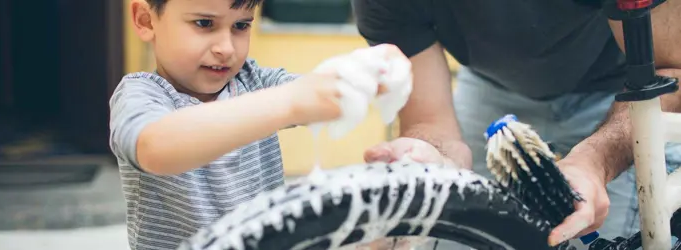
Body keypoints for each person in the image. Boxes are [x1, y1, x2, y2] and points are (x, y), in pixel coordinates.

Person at [353, 0, 681, 248]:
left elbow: (671, 70)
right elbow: (430, 122)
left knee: (600, 231)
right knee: (450, 230)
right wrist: (425, 155)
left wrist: (594, 162)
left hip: (621, 94)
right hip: (491, 92)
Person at [108, 0, 412, 249]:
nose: (226, 47)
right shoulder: (141, 94)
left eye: (241, 25)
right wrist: (289, 102)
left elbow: (318, 93)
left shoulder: (254, 81)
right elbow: (156, 148)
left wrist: (371, 74)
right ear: (146, 20)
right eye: (204, 24)